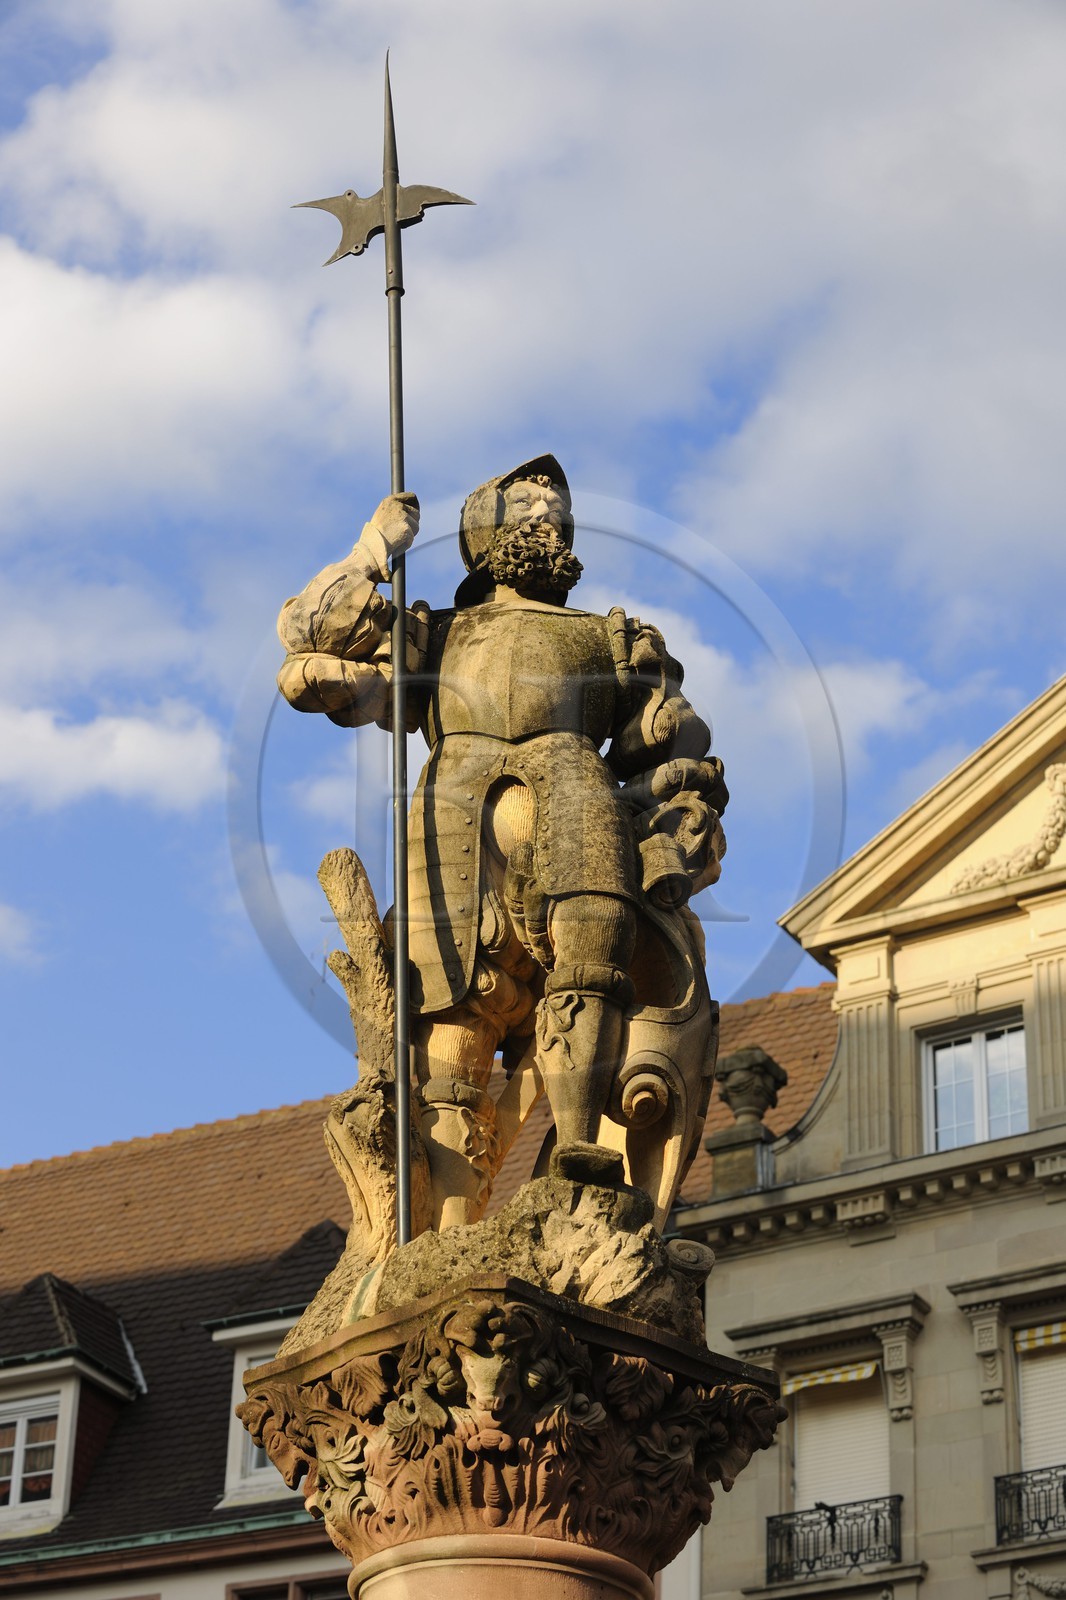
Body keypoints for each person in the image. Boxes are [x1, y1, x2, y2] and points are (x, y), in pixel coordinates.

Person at [277, 456, 726, 1228]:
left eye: (557, 503)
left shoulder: (614, 640)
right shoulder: (437, 634)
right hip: (451, 824)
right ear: (484, 527)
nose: (545, 511)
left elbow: (675, 760)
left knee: (590, 956)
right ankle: (442, 1236)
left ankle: (581, 1151)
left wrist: (670, 846)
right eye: (525, 500)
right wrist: (373, 547)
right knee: (451, 1023)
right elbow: (312, 633)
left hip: (573, 794)